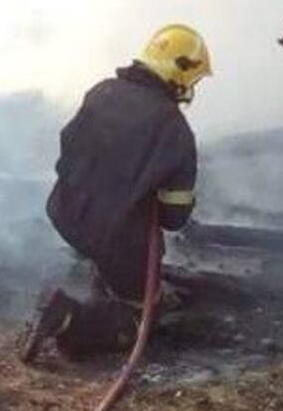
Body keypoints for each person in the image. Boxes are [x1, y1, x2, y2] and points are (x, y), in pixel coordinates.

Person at [20, 24, 211, 362]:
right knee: (139, 322)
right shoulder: (174, 128)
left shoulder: (102, 92)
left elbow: (68, 150)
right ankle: (66, 317)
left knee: (109, 248)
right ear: (180, 73)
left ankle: (99, 283)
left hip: (65, 213)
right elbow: (174, 217)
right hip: (114, 238)